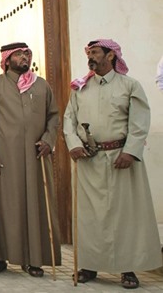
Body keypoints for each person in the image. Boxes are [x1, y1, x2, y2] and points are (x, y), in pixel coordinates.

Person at [64, 39, 161, 289]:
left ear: (111, 56)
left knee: (124, 216)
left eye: (95, 52)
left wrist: (130, 152)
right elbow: (69, 119)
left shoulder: (130, 86)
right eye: (89, 53)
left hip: (121, 159)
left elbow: (140, 122)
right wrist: (73, 144)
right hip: (89, 160)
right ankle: (89, 265)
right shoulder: (80, 88)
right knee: (90, 216)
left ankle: (127, 269)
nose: (91, 57)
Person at [0, 42, 61, 277]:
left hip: (36, 157)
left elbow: (53, 117)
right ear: (7, 59)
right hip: (4, 157)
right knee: (5, 206)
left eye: (27, 53)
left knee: (36, 206)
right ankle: (0, 257)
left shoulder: (42, 86)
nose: (24, 57)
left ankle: (33, 260)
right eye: (18, 54)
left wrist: (48, 139)